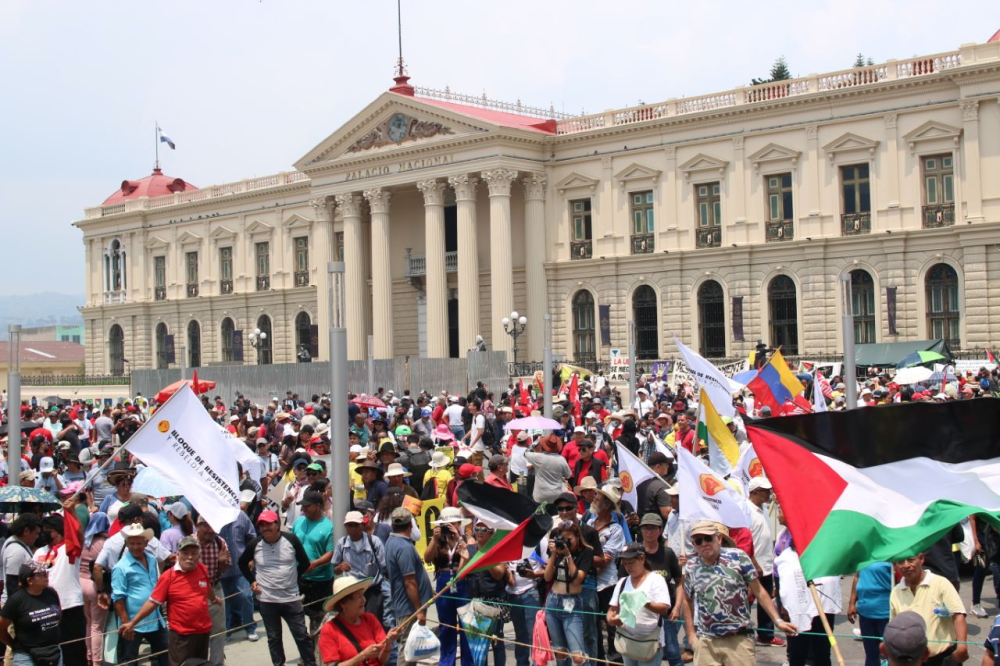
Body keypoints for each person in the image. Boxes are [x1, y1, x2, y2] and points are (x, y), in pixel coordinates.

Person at [682, 520, 796, 665]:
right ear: (694, 545)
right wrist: (691, 635)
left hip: (738, 638)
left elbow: (759, 591)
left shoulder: (738, 557)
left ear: (719, 538)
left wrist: (778, 620)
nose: (704, 543)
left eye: (708, 538)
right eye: (698, 541)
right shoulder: (692, 566)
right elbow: (687, 599)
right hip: (707, 641)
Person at [120, 535, 220, 666]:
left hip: (203, 632)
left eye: (194, 553)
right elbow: (153, 602)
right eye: (186, 553)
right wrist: (132, 623)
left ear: (198, 555)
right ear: (178, 554)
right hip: (182, 635)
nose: (190, 557)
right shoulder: (169, 577)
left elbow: (206, 586)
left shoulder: (202, 569)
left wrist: (213, 599)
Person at [238, 510, 316, 666]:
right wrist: (252, 580)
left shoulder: (291, 540)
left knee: (301, 635)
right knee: (274, 638)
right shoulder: (255, 544)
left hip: (291, 598)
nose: (265, 528)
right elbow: (242, 563)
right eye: (261, 525)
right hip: (267, 600)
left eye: (268, 524)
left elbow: (305, 563)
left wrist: (293, 577)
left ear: (277, 524)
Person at [625, 514, 683, 666]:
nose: (648, 532)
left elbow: (679, 581)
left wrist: (677, 607)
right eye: (645, 528)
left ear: (660, 531)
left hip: (664, 612)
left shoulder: (668, 553)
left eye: (652, 528)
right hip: (639, 613)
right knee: (637, 652)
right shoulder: (633, 551)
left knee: (672, 652)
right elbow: (622, 582)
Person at [889, 551, 967, 665]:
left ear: (921, 559)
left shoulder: (940, 583)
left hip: (943, 658)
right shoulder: (896, 591)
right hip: (912, 660)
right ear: (895, 565)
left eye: (911, 560)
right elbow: (894, 626)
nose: (906, 565)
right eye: (900, 562)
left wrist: (962, 646)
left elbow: (958, 614)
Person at [111, 523, 169, 666]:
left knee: (165, 655)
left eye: (138, 543)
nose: (135, 547)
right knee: (130, 659)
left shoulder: (151, 559)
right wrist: (126, 624)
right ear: (127, 544)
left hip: (155, 618)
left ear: (146, 543)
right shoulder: (121, 567)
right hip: (133, 622)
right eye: (132, 543)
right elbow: (118, 598)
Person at [33, 513, 86, 666]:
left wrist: (72, 511)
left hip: (70, 606)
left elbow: (79, 535)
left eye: (48, 529)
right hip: (46, 608)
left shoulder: (69, 548)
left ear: (58, 531)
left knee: (73, 651)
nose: (44, 532)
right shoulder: (39, 552)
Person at [607, 543, 671, 666]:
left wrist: (645, 602)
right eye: (625, 564)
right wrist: (611, 618)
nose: (628, 567)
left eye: (631, 562)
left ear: (642, 559)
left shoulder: (656, 580)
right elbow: (612, 609)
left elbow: (664, 609)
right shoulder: (622, 582)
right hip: (627, 639)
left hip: (649, 641)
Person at [423, 507, 472, 666]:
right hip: (443, 579)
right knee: (446, 625)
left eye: (454, 523)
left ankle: (468, 663)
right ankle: (446, 662)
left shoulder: (465, 538)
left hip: (462, 581)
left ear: (459, 523)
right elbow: (427, 558)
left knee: (466, 625)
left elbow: (469, 559)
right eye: (447, 523)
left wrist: (458, 538)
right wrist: (434, 539)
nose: (450, 526)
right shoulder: (439, 540)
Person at [318, 576, 400, 666]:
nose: (364, 600)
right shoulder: (329, 629)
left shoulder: (370, 619)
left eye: (362, 595)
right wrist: (363, 656)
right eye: (358, 596)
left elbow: (381, 660)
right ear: (343, 603)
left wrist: (388, 644)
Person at [544, 520, 594, 666]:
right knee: (560, 653)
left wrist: (568, 556)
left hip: (572, 603)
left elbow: (578, 579)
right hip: (553, 602)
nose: (565, 542)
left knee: (578, 657)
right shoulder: (556, 552)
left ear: (577, 537)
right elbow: (547, 577)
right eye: (562, 538)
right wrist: (553, 554)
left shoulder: (586, 551)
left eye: (569, 539)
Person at [587, 486, 626, 663]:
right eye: (596, 496)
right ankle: (598, 660)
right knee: (593, 626)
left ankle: (615, 659)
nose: (595, 498)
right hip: (589, 582)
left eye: (600, 498)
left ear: (608, 505)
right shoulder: (588, 524)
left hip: (607, 583)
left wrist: (585, 566)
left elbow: (605, 561)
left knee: (611, 625)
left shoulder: (616, 530)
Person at [0, 560, 62, 666]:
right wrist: (14, 645)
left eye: (46, 573)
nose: (46, 576)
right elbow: (1, 628)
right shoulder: (16, 600)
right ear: (29, 580)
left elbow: (58, 615)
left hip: (54, 651)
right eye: (41, 574)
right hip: (26, 656)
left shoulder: (51, 593)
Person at [293, 490, 336, 639]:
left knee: (318, 619)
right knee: (297, 618)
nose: (303, 509)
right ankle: (306, 652)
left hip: (320, 580)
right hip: (299, 578)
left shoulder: (329, 527)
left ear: (318, 506)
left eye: (307, 506)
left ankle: (317, 655)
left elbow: (331, 553)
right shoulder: (298, 522)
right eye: (302, 506)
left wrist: (314, 564)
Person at [745, 477, 781, 647]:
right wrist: (754, 563)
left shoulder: (764, 508)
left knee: (765, 599)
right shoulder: (746, 511)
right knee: (746, 599)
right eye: (765, 491)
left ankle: (766, 635)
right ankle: (741, 631)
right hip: (753, 566)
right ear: (754, 492)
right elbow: (746, 541)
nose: (769, 493)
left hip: (766, 564)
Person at [219, 507, 260, 643]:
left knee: (246, 596)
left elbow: (252, 536)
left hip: (240, 566)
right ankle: (226, 631)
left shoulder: (241, 515)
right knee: (224, 602)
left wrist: (251, 558)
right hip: (221, 570)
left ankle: (250, 628)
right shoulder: (212, 515)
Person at [848, 561, 894, 666]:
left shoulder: (890, 556)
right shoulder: (863, 556)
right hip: (865, 613)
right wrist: (851, 603)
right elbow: (857, 577)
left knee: (891, 654)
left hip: (886, 614)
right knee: (871, 653)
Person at [81, 513, 110, 666]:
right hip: (95, 585)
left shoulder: (84, 541)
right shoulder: (105, 543)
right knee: (97, 627)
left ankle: (89, 656)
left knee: (88, 623)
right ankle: (97, 662)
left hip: (80, 583)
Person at [1, 515, 42, 606]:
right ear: (26, 531)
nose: (37, 537)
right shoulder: (16, 551)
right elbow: (13, 586)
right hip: (15, 606)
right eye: (36, 533)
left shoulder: (21, 544)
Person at [525, 435, 571, 504]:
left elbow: (525, 453)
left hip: (540, 497)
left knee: (540, 514)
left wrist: (535, 442)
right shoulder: (561, 459)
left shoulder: (538, 457)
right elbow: (568, 475)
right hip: (556, 497)